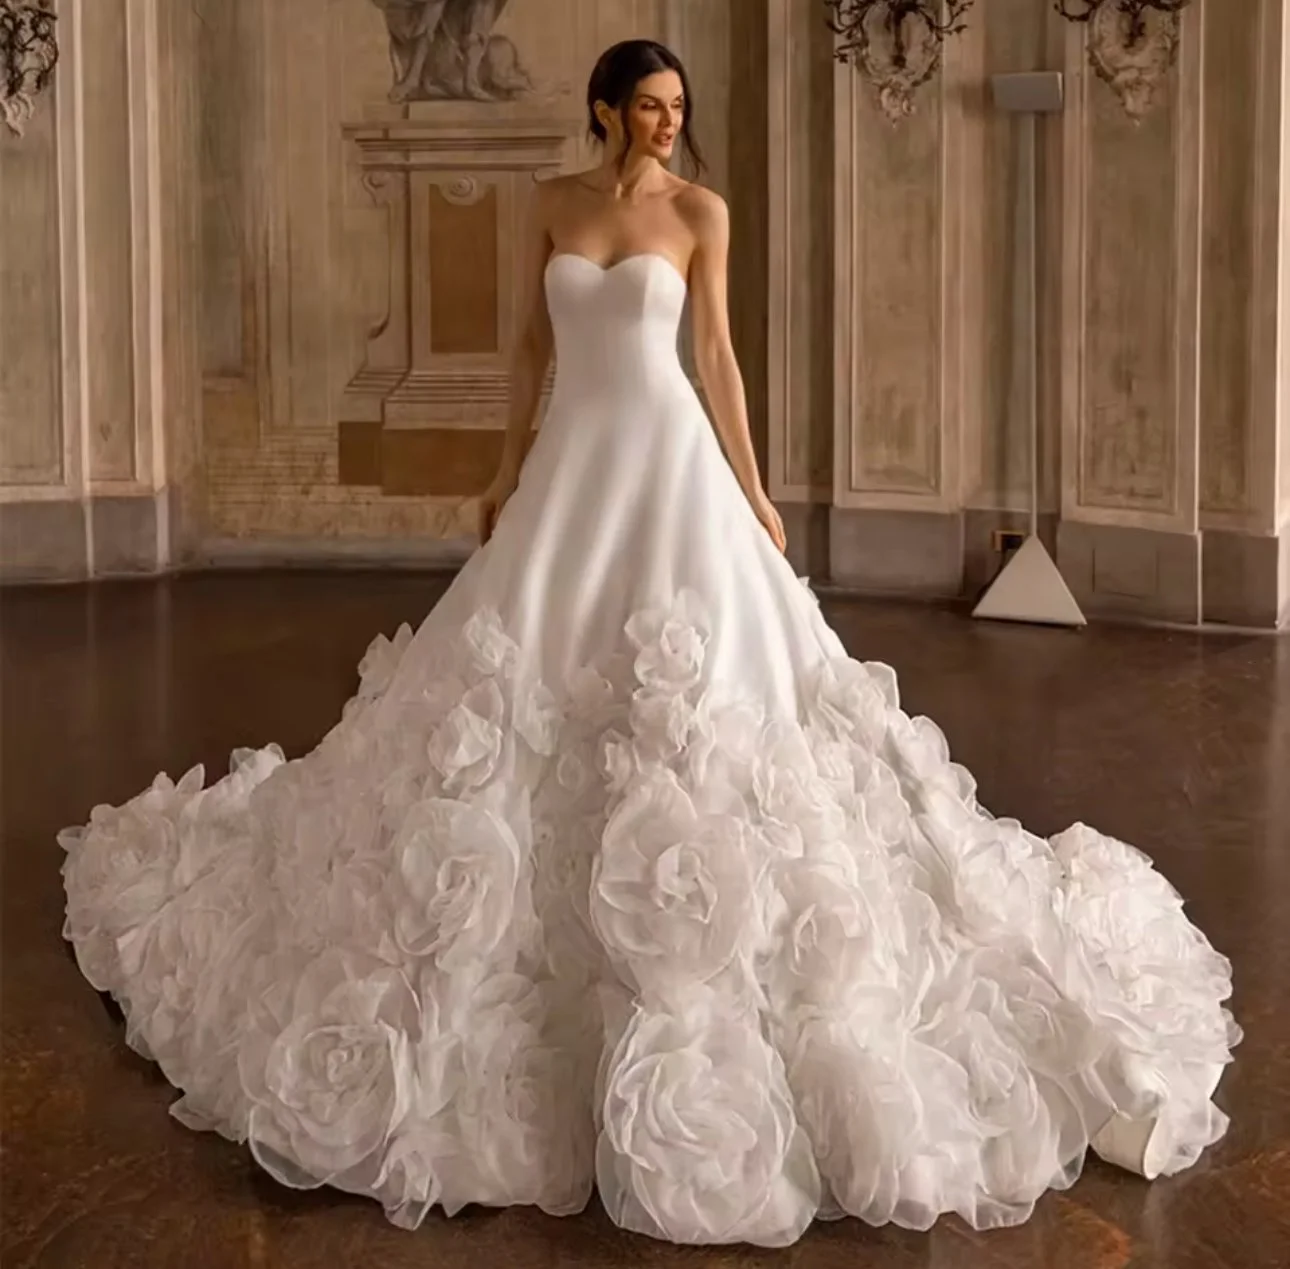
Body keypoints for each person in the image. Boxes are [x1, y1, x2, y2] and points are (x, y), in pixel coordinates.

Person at [59, 38, 1239, 1249]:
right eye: (649, 106)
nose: (668, 123)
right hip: (573, 465)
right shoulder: (554, 205)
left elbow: (713, 356)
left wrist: (757, 490)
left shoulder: (699, 212)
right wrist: (505, 469)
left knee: (703, 691)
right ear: (605, 109)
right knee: (515, 679)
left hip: (672, 467)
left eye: (677, 107)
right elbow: (531, 349)